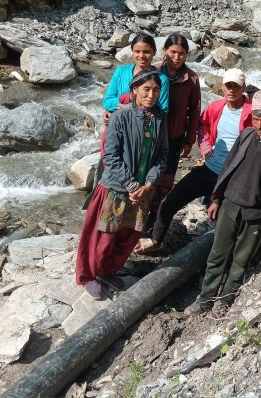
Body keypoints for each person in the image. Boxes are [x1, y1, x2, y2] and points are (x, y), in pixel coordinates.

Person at [186, 91, 261, 315]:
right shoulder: (245, 136)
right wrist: (216, 198)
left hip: (255, 214)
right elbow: (227, 168)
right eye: (256, 119)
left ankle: (225, 299)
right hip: (230, 206)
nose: (260, 125)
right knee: (217, 255)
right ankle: (205, 299)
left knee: (240, 260)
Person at [136, 69, 252, 253]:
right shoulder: (216, 107)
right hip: (210, 168)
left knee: (224, 217)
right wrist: (205, 145)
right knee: (169, 202)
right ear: (222, 87)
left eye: (236, 87)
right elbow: (202, 124)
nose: (232, 90)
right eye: (228, 86)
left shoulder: (251, 113)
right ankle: (156, 240)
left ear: (243, 88)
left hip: (234, 176)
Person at [76, 69, 169, 299]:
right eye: (146, 89)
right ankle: (89, 275)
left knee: (128, 235)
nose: (151, 95)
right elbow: (110, 157)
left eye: (156, 90)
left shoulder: (159, 119)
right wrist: (130, 184)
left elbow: (162, 154)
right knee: (103, 237)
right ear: (134, 90)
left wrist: (148, 183)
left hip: (143, 191)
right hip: (117, 189)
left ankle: (108, 271)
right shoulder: (120, 117)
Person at [150, 34, 201, 225]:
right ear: (165, 51)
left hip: (174, 136)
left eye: (181, 53)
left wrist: (190, 140)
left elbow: (195, 110)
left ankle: (155, 219)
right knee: (146, 176)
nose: (177, 57)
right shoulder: (153, 72)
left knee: (166, 180)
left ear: (187, 55)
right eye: (173, 52)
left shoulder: (191, 79)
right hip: (151, 135)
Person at [103, 34, 170, 119]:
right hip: (120, 123)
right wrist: (110, 110)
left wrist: (130, 109)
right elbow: (107, 102)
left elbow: (162, 110)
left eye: (146, 52)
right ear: (132, 51)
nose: (141, 56)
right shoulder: (121, 72)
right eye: (137, 51)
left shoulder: (161, 79)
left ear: (154, 52)